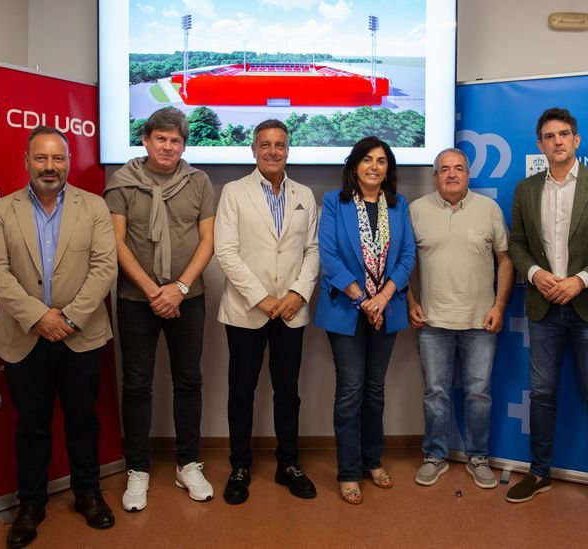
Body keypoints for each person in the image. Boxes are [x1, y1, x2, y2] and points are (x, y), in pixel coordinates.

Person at [0, 126, 117, 548]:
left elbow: (104, 268)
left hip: (81, 335)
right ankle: (31, 504)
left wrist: (69, 319)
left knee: (82, 419)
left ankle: (87, 494)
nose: (50, 167)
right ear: (26, 161)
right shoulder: (2, 211)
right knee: (32, 425)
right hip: (25, 336)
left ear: (69, 161)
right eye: (41, 158)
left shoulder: (93, 207)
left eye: (58, 158)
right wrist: (40, 317)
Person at [506, 107, 588, 521]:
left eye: (564, 134)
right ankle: (539, 473)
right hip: (544, 307)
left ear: (576, 140)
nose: (557, 141)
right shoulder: (526, 189)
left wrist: (580, 280)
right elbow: (517, 243)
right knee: (541, 394)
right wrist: (534, 272)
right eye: (549, 136)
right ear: (539, 144)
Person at [104, 107, 216, 511]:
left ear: (183, 145)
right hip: (137, 299)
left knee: (189, 381)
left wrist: (179, 289)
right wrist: (155, 291)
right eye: (161, 138)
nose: (168, 146)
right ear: (146, 140)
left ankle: (188, 463)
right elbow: (117, 244)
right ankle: (138, 469)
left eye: (176, 140)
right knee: (136, 385)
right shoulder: (122, 182)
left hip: (189, 297)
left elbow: (208, 241)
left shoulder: (199, 181)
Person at [213, 119, 320, 504]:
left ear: (288, 150)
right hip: (247, 310)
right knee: (242, 391)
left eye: (280, 145)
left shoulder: (304, 194)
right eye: (265, 145)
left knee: (288, 392)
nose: (273, 151)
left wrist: (297, 293)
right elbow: (225, 250)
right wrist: (261, 297)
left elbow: (312, 250)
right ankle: (240, 465)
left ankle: (287, 464)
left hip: (292, 311)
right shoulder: (233, 192)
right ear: (253, 150)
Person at [314, 136, 416, 505]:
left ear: (389, 168)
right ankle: (347, 470)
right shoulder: (333, 202)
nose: (375, 166)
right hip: (346, 308)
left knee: (375, 390)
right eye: (368, 160)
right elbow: (329, 257)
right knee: (350, 391)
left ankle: (372, 460)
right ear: (354, 165)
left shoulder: (398, 204)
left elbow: (406, 257)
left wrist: (383, 298)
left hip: (386, 309)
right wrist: (364, 300)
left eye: (382, 161)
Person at [407, 148, 513, 489]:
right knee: (435, 393)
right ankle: (435, 456)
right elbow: (403, 263)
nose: (452, 174)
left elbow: (506, 260)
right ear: (435, 175)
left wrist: (499, 306)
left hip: (480, 321)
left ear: (468, 173)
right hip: (433, 322)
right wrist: (410, 300)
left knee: (478, 393)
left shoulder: (489, 209)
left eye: (459, 168)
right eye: (444, 169)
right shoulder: (417, 210)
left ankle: (478, 457)